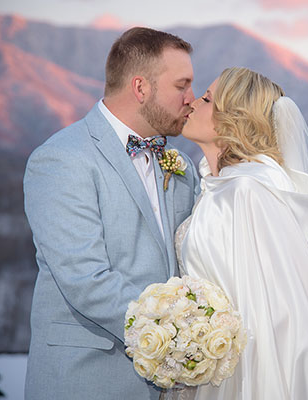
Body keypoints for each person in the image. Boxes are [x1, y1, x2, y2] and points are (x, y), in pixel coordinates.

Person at [23, 27, 199, 400]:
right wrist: (177, 338)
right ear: (141, 88)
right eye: (181, 85)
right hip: (88, 381)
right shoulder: (63, 159)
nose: (192, 99)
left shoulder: (181, 165)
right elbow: (85, 279)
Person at [176, 67, 308, 399]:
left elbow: (275, 312)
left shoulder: (247, 192)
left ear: (233, 118)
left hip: (243, 373)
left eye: (207, 99)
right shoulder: (220, 188)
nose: (193, 102)